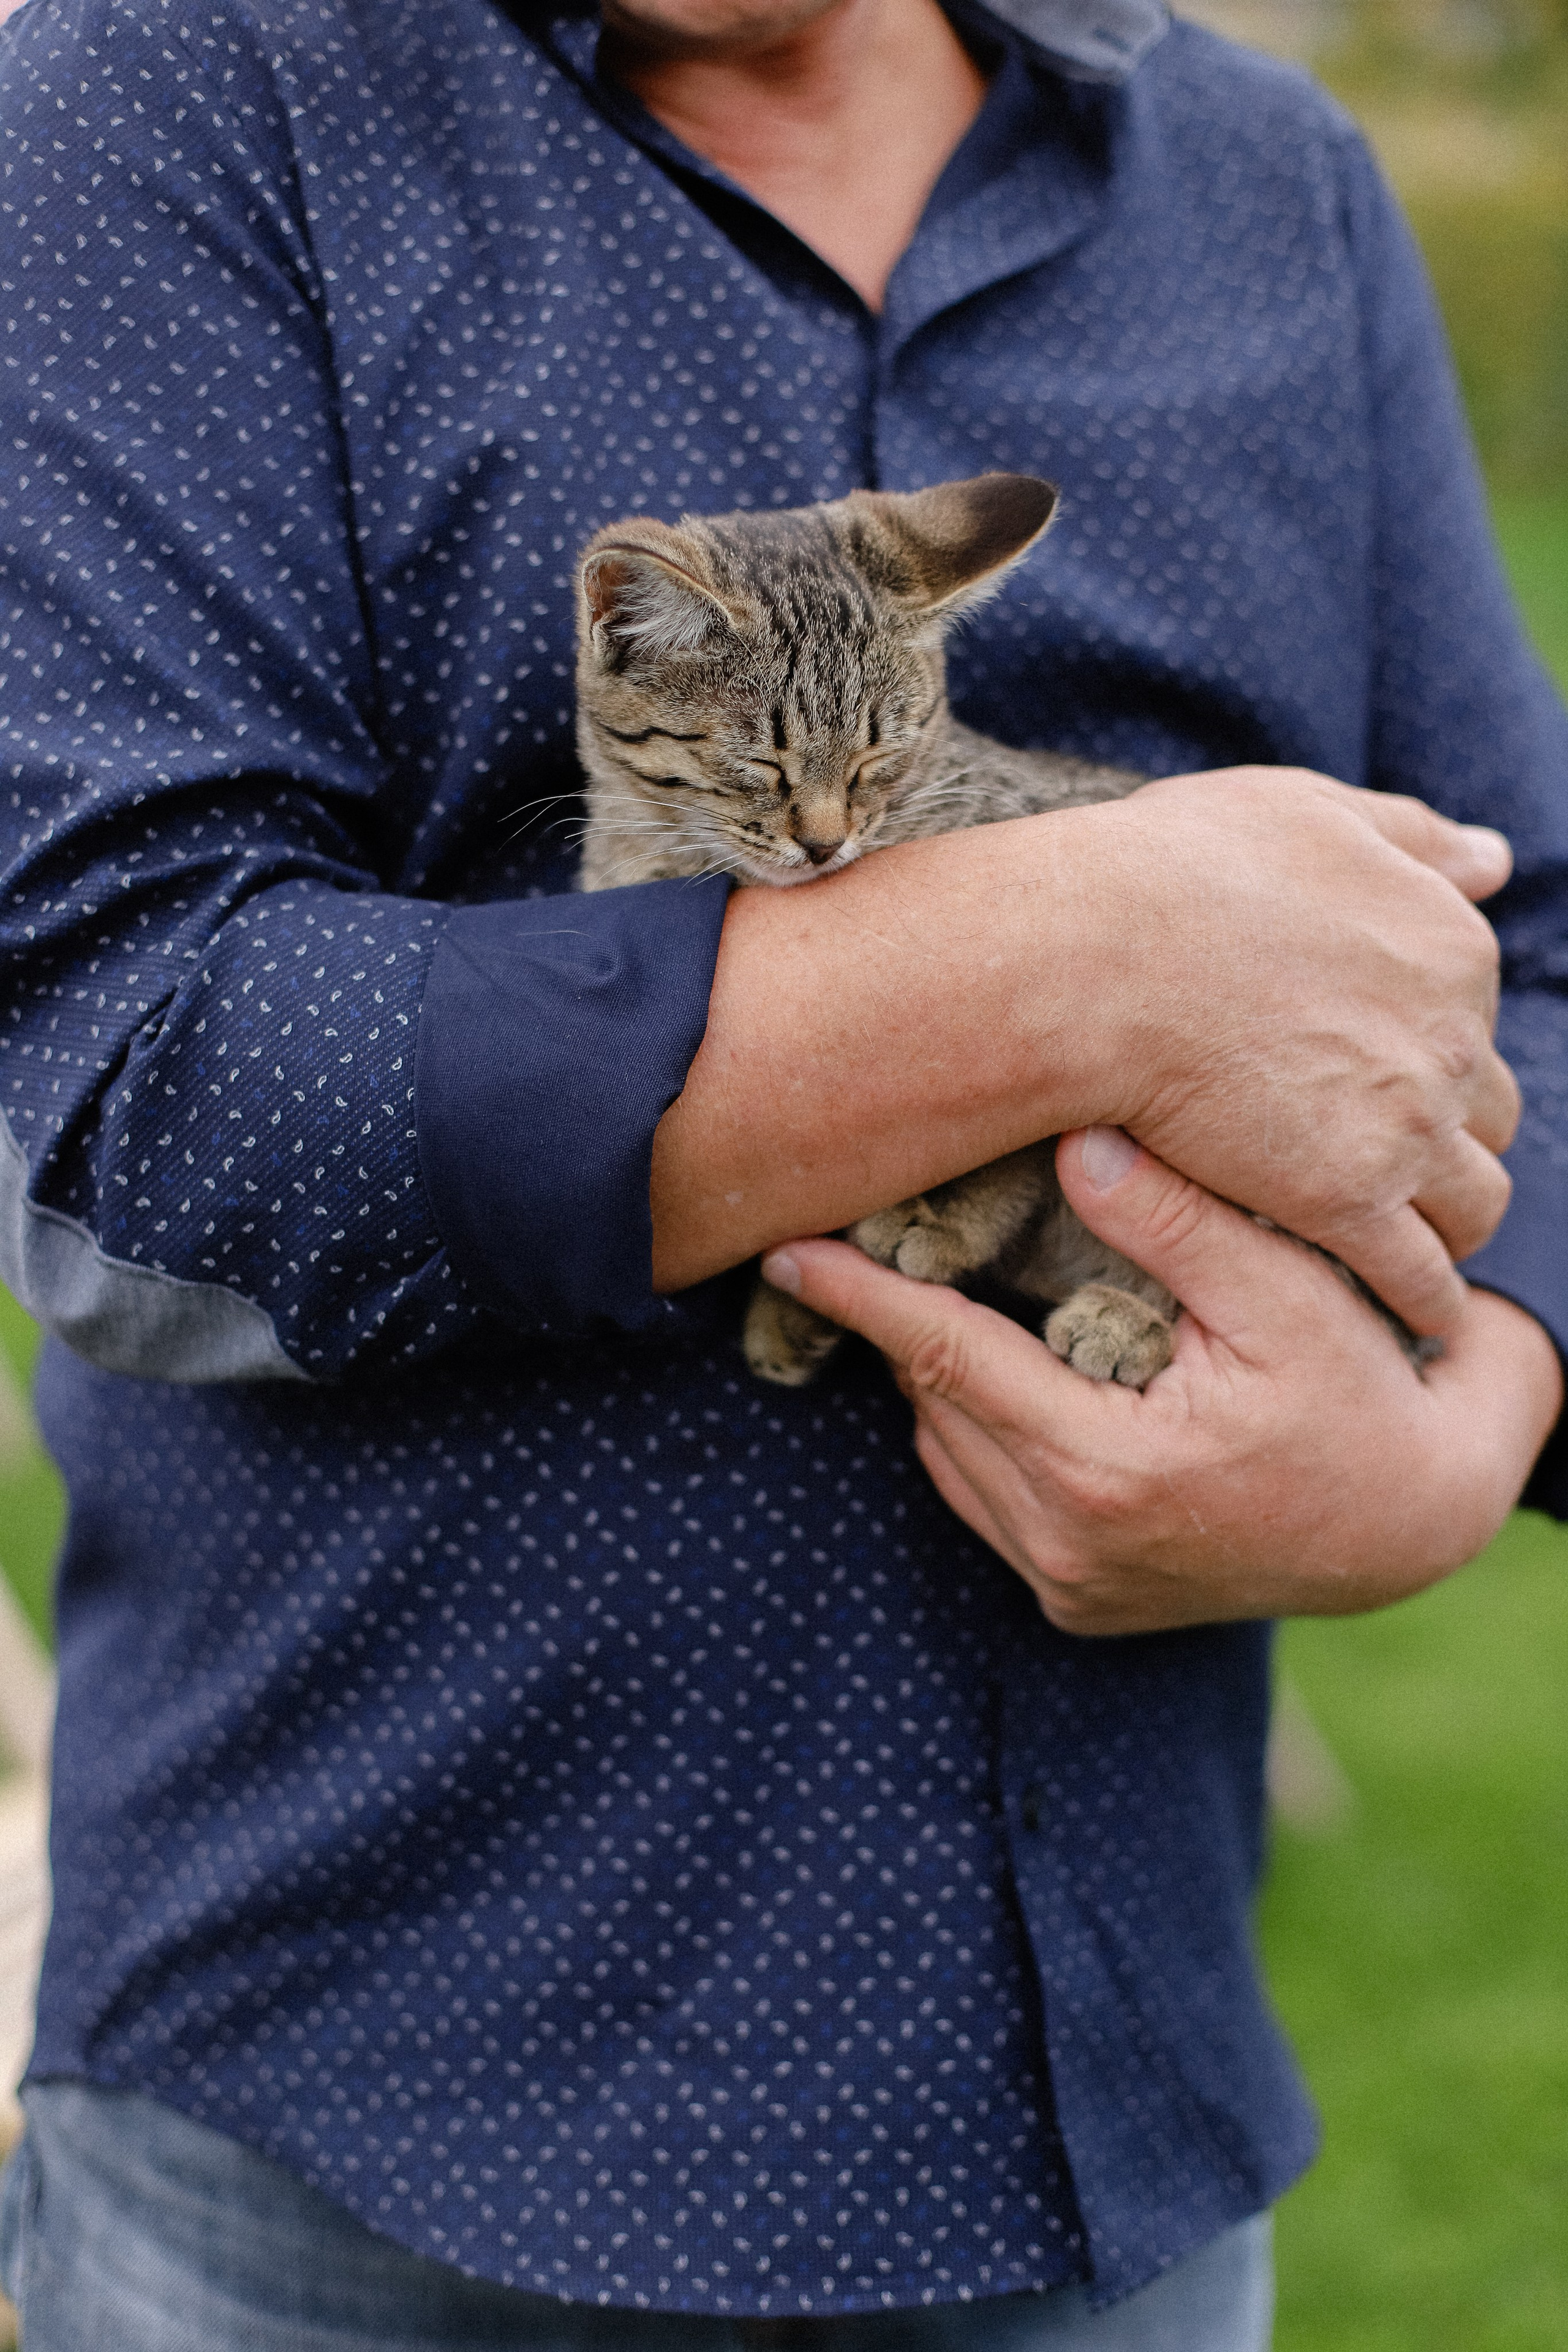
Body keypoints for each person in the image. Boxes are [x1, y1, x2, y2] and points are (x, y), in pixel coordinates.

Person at [0, 0, 1563, 2343]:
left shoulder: (1275, 180)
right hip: (350, 2102)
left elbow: (1532, 936)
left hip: (1099, 2114)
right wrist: (1065, 959)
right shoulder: (154, 99)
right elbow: (133, 1073)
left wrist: (1467, 1427)